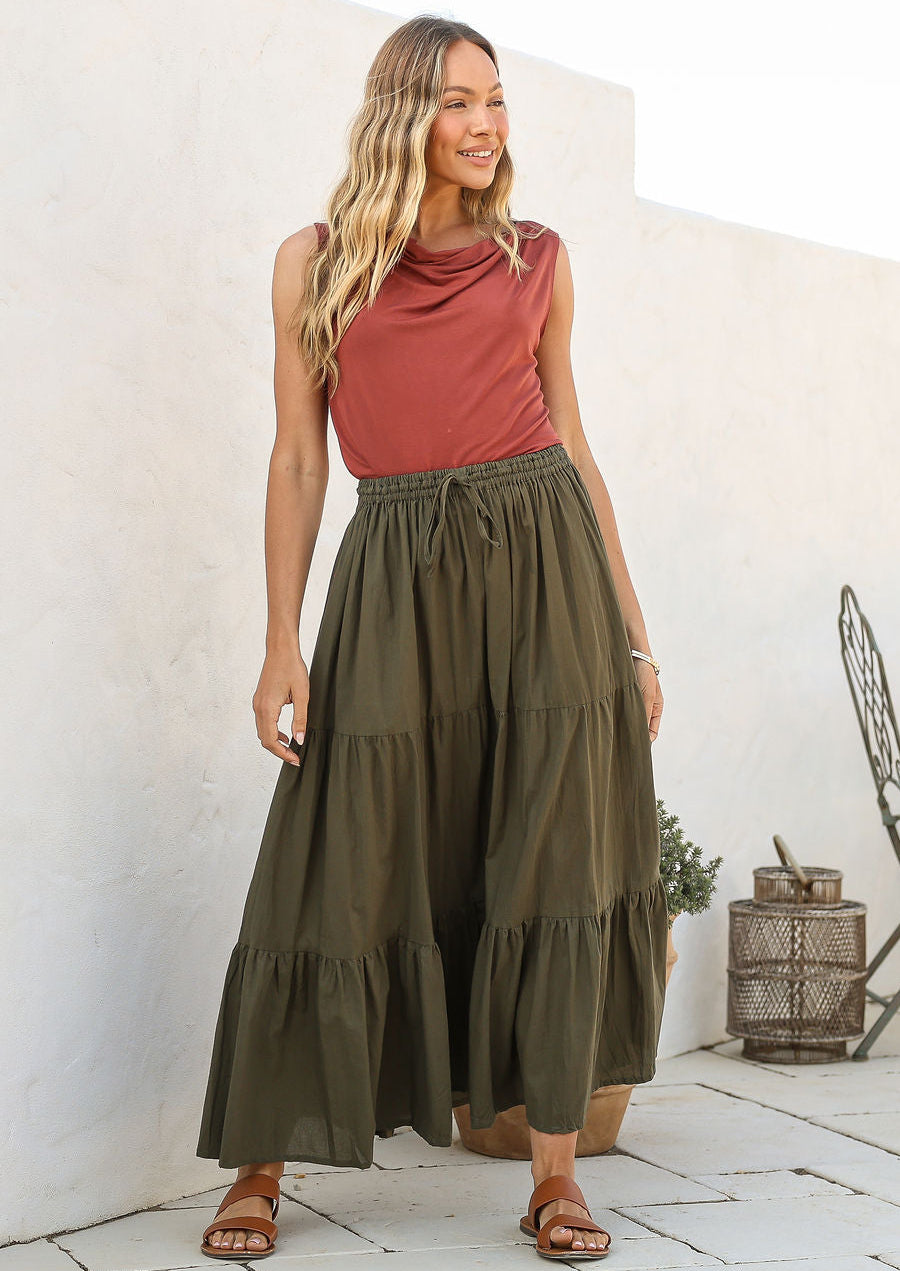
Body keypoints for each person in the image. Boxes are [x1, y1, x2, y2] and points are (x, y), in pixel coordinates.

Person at [195, 14, 667, 1263]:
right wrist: (279, 640)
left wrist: (630, 633)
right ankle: (261, 1162)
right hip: (394, 576)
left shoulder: (541, 257)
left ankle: (554, 1176)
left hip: (547, 570)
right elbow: (300, 456)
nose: (489, 125)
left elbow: (571, 442)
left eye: (499, 101)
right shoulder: (318, 261)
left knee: (550, 859)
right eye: (462, 101)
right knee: (335, 853)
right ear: (405, 110)